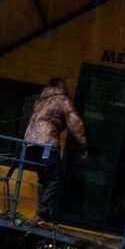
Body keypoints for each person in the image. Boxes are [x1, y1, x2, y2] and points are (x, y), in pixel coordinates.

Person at [24, 78, 88, 225]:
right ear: (60, 87)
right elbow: (75, 123)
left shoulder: (40, 100)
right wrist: (83, 145)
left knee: (44, 179)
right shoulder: (62, 99)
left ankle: (39, 215)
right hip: (46, 144)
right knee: (54, 178)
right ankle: (43, 215)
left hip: (29, 144)